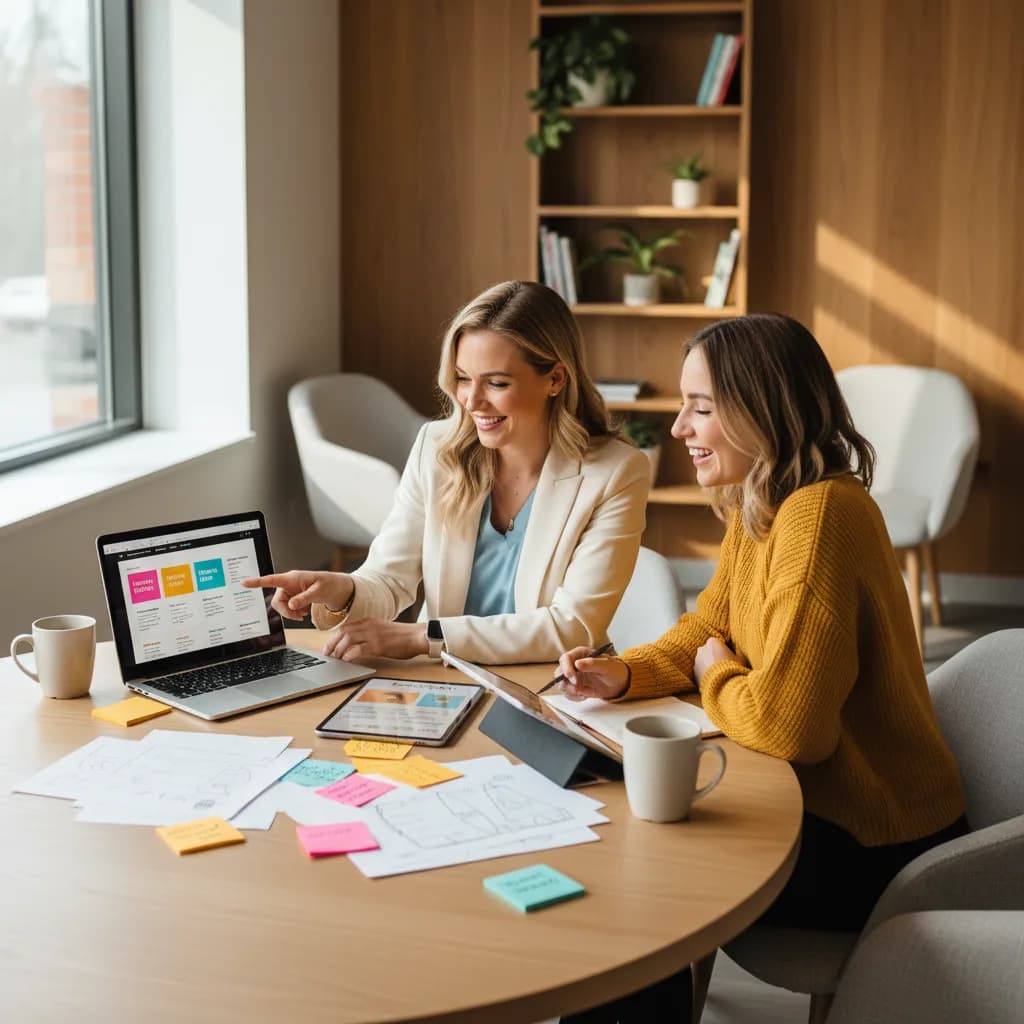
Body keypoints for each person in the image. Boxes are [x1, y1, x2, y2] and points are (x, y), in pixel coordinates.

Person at [555, 314, 967, 1023]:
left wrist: (716, 678)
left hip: (880, 844)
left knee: (639, 879)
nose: (679, 426)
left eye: (701, 407)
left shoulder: (819, 520)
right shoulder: (764, 506)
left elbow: (785, 728)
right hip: (825, 810)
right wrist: (621, 673)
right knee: (631, 847)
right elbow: (704, 630)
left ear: (763, 408)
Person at [245, 280, 649, 665]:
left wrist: (423, 638)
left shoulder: (615, 472)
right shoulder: (436, 448)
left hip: (553, 683)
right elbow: (389, 579)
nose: (472, 401)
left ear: (555, 379)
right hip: (442, 679)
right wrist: (341, 591)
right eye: (462, 378)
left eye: (496, 383)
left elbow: (572, 627)